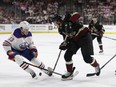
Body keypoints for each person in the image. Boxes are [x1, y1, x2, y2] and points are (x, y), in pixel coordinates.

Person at [52, 12, 100, 80]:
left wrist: (70, 22)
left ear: (58, 21)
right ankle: (69, 72)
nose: (54, 24)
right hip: (75, 40)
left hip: (84, 37)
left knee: (87, 59)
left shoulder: (67, 19)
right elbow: (66, 38)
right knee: (67, 56)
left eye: (54, 22)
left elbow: (77, 14)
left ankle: (96, 65)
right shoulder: (60, 29)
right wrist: (64, 44)